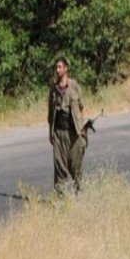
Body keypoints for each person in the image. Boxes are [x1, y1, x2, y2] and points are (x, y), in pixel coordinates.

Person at [47, 57, 86, 196]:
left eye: (60, 67)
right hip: (58, 132)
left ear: (66, 68)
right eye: (56, 67)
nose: (57, 70)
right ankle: (61, 199)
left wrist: (81, 127)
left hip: (73, 131)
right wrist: (50, 134)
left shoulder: (74, 86)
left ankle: (79, 193)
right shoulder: (53, 88)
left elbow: (81, 107)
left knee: (75, 165)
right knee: (59, 166)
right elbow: (50, 114)